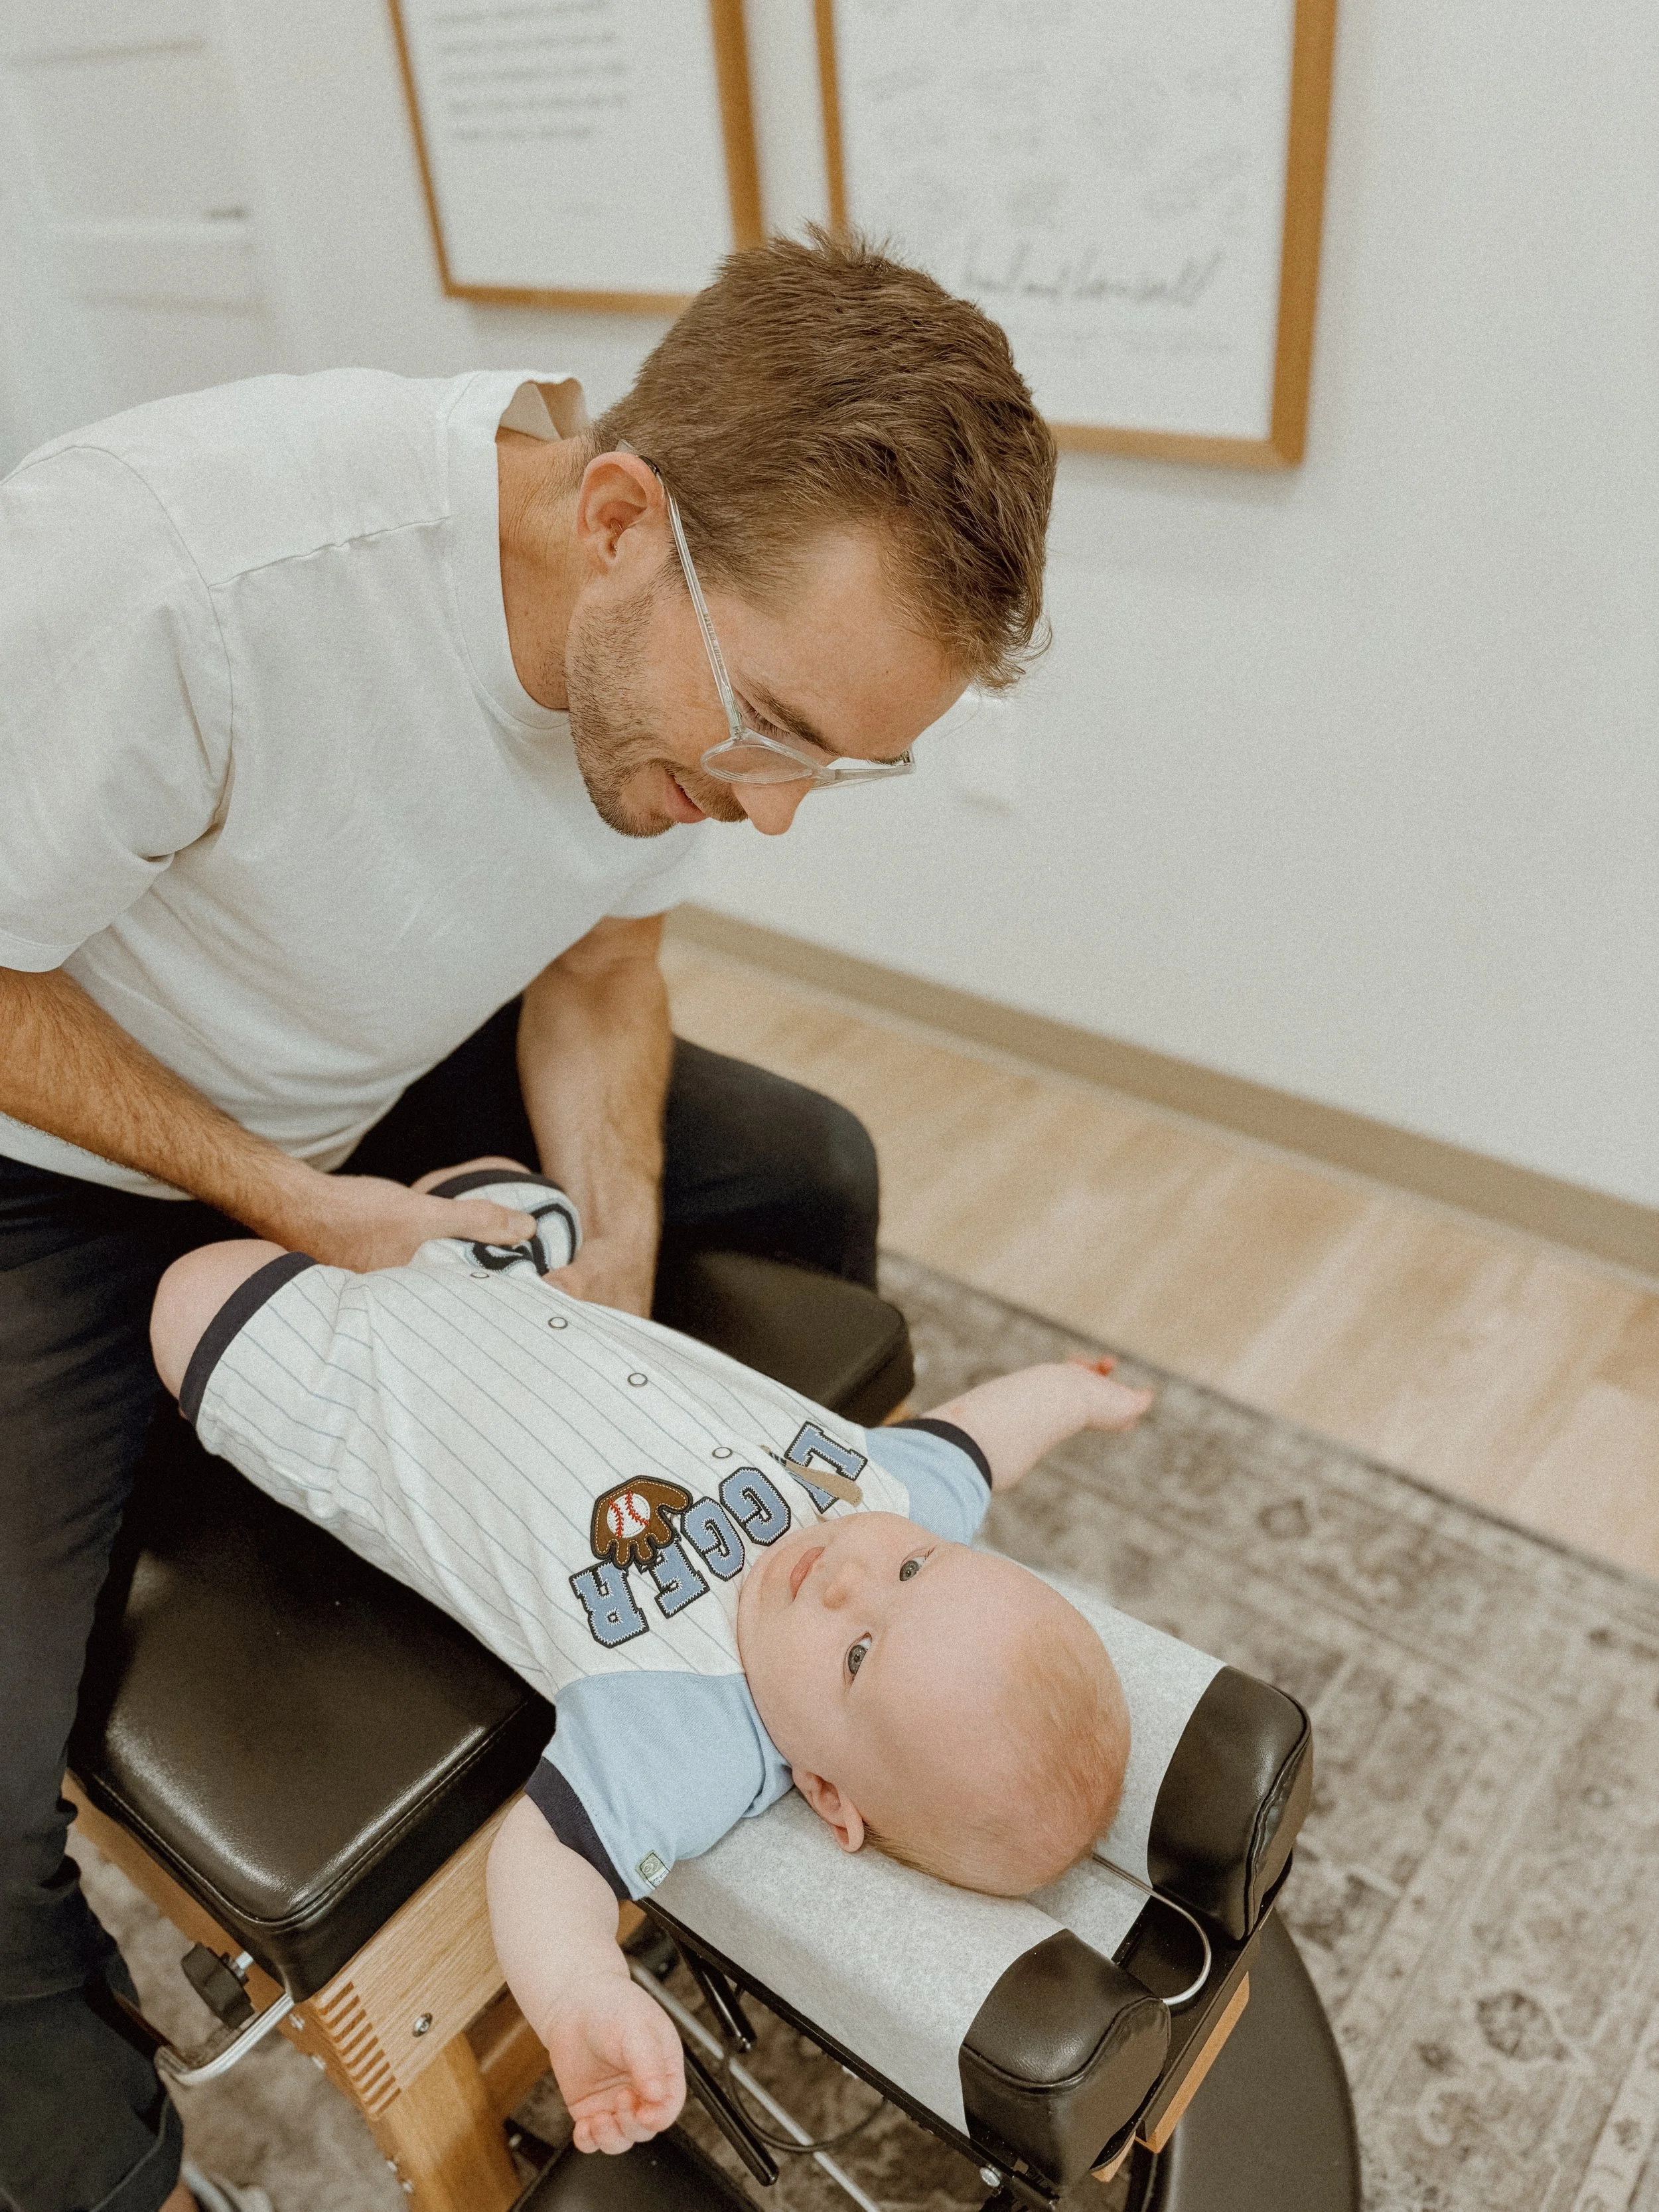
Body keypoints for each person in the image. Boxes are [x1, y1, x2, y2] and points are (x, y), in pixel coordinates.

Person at [0, 228, 1057, 2209]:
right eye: (773, 734)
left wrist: (608, 1328)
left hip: (359, 1063)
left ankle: (693, 1688)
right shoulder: (186, 578)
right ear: (616, 517)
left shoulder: (649, 671)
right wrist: (291, 1201)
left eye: (847, 766)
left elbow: (592, 979)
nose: (771, 811)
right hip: (44, 1146)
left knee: (804, 1167)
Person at [146, 1163, 1150, 2158]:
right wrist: (1065, 1393)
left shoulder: (692, 1730)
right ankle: (436, 1222)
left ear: (828, 1793)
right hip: (511, 1290)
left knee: (194, 1294)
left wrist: (583, 1988)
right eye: (917, 1569)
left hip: (364, 1387)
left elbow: (546, 1868)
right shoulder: (890, 1500)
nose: (850, 1573)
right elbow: (974, 1449)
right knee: (515, 1192)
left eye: (857, 1654)